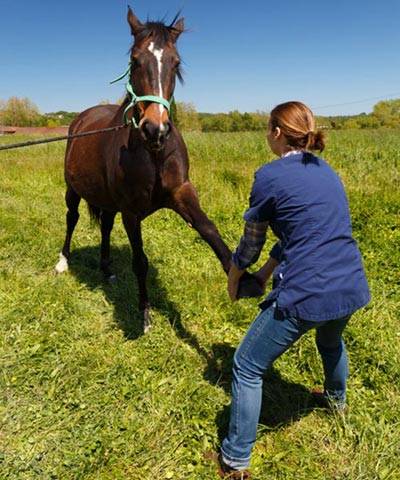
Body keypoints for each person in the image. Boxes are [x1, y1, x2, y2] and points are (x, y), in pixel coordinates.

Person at [206, 101, 370, 479]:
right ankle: (335, 402)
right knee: (330, 343)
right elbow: (304, 233)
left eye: (267, 129)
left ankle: (234, 461)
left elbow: (251, 243)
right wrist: (265, 274)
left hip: (308, 290)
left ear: (277, 133)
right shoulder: (326, 170)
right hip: (349, 283)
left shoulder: (269, 176)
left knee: (247, 366)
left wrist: (235, 277)